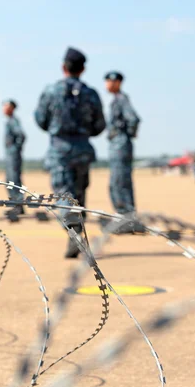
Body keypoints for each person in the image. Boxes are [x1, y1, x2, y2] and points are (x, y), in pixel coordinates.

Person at [34, 47, 106, 258]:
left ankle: (73, 229)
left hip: (60, 150)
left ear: (63, 67)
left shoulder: (51, 91)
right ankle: (76, 234)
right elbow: (100, 124)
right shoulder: (90, 94)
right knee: (80, 195)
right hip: (82, 149)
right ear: (82, 69)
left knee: (64, 195)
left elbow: (41, 119)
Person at [104, 71, 143, 231]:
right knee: (118, 181)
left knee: (119, 181)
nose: (107, 84)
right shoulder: (117, 100)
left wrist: (125, 135)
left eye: (110, 81)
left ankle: (126, 219)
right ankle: (126, 218)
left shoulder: (121, 99)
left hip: (120, 143)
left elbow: (133, 118)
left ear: (117, 82)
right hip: (118, 143)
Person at [2, 99, 26, 215]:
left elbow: (21, 135)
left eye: (5, 106)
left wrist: (15, 149)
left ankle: (19, 205)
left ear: (11, 108)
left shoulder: (13, 121)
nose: (3, 108)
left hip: (13, 155)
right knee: (10, 180)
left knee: (14, 180)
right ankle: (16, 205)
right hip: (10, 155)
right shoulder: (10, 121)